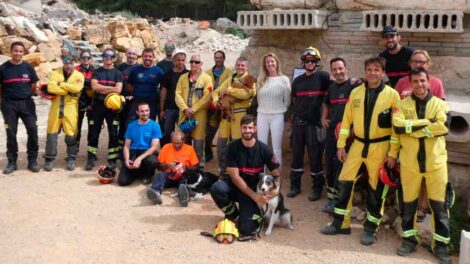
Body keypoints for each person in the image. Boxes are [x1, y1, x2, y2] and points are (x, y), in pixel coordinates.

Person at [320, 57, 400, 247]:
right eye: (369, 69)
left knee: (376, 189)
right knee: (345, 182)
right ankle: (341, 223)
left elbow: (397, 127)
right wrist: (341, 145)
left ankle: (371, 229)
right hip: (357, 145)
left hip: (380, 147)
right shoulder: (355, 93)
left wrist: (393, 154)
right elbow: (346, 122)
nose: (372, 72)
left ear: (383, 72)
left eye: (376, 69)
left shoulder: (392, 95)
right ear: (365, 71)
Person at [392, 68, 451, 264]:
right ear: (410, 83)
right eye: (415, 81)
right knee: (408, 206)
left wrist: (412, 127)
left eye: (422, 81)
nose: (419, 85)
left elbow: (443, 127)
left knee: (439, 207)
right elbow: (398, 127)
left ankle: (441, 246)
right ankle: (409, 240)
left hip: (436, 163)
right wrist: (428, 124)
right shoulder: (401, 104)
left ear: (429, 82)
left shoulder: (440, 104)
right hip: (410, 164)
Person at [394, 49, 446, 222]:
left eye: (422, 62)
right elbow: (397, 117)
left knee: (427, 179)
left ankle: (423, 207)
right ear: (410, 64)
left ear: (428, 64)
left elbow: (441, 119)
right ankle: (409, 209)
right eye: (415, 61)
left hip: (430, 144)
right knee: (409, 177)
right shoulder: (402, 83)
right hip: (408, 146)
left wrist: (412, 129)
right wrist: (424, 123)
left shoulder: (436, 83)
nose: (418, 64)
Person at [209, 114, 281, 239]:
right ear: (240, 129)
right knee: (216, 188)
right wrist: (255, 197)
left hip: (252, 189)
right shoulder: (232, 147)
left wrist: (276, 189)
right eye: (244, 128)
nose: (247, 131)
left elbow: (277, 172)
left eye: (250, 128)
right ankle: (233, 214)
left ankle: (251, 216)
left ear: (255, 129)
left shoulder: (264, 149)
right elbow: (235, 177)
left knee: (247, 229)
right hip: (237, 186)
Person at [287, 47, 332, 201]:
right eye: (307, 61)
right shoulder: (297, 81)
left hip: (315, 125)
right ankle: (295, 186)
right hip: (299, 124)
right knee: (296, 156)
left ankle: (317, 188)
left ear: (317, 62)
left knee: (315, 156)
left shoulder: (324, 77)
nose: (310, 63)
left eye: (313, 61)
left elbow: (339, 84)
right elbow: (294, 101)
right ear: (303, 62)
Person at [321, 57, 358, 212]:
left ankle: (343, 198)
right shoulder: (332, 89)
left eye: (340, 68)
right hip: (332, 133)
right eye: (334, 69)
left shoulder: (356, 86)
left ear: (346, 68)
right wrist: (324, 118)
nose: (338, 72)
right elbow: (326, 103)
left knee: (344, 165)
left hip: (350, 135)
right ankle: (331, 198)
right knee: (330, 164)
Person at [0, 41, 40, 174]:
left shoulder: (28, 67)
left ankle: (32, 161)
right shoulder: (3, 68)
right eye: (15, 51)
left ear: (24, 53)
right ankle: (12, 162)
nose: (18, 53)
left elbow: (33, 85)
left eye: (20, 51)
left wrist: (26, 94)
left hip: (27, 104)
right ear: (11, 52)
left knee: (33, 131)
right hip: (9, 105)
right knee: (11, 133)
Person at [213, 56, 255, 176]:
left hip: (240, 115)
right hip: (226, 115)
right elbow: (216, 91)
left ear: (246, 67)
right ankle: (223, 170)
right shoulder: (231, 78)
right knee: (221, 145)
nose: (240, 67)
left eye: (242, 65)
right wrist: (217, 102)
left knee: (239, 145)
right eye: (238, 65)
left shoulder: (249, 79)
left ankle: (240, 172)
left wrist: (229, 91)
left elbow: (246, 93)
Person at [44, 50, 84, 171]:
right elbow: (50, 87)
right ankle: (49, 159)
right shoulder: (55, 73)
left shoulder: (79, 75)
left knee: (71, 134)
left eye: (70, 63)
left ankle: (71, 158)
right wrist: (65, 90)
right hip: (56, 108)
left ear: (74, 63)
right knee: (51, 134)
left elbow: (77, 88)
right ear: (63, 62)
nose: (68, 66)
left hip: (70, 109)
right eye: (66, 63)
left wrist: (61, 84)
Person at [86, 48, 123, 170]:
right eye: (106, 55)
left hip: (112, 107)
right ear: (103, 57)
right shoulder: (96, 72)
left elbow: (118, 90)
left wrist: (102, 88)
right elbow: (94, 87)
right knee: (93, 132)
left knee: (113, 133)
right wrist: (110, 88)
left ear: (114, 58)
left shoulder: (117, 73)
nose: (108, 58)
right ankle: (91, 157)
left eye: (111, 56)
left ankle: (112, 159)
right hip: (97, 105)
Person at [175, 54, 213, 166]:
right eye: (191, 62)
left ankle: (197, 164)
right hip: (184, 113)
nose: (193, 64)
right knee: (183, 138)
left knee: (198, 140)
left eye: (196, 62)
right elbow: (177, 94)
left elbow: (207, 96)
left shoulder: (207, 78)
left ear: (201, 64)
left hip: (199, 114)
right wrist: (185, 108)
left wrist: (194, 109)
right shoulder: (183, 77)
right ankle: (183, 163)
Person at [256, 52, 290, 168]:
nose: (270, 64)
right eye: (267, 62)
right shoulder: (261, 79)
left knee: (276, 148)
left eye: (272, 61)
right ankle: (261, 175)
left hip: (277, 116)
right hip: (262, 115)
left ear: (276, 63)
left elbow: (287, 100)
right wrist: (265, 109)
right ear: (264, 65)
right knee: (261, 146)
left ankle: (277, 176)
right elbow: (259, 99)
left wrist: (279, 110)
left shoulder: (284, 79)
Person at [147, 131, 199, 206]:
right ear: (171, 141)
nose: (176, 145)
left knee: (185, 181)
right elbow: (159, 166)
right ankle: (156, 193)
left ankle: (184, 196)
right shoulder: (166, 147)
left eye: (178, 143)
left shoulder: (189, 149)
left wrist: (184, 167)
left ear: (183, 141)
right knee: (160, 175)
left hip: (182, 176)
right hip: (168, 175)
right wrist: (166, 165)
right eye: (174, 143)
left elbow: (196, 167)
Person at [119, 101, 161, 186]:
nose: (145, 113)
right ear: (137, 112)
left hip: (147, 152)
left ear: (149, 111)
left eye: (146, 110)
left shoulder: (155, 126)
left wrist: (139, 159)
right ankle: (135, 172)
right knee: (122, 182)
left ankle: (147, 175)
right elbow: (126, 146)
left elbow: (154, 147)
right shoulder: (131, 125)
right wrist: (127, 160)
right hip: (134, 151)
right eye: (142, 111)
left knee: (152, 161)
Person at [205, 50, 233, 162]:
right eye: (216, 57)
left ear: (224, 59)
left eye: (220, 57)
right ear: (214, 58)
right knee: (209, 131)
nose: (218, 59)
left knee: (228, 132)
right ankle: (208, 152)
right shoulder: (207, 73)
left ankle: (229, 155)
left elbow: (231, 87)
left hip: (224, 107)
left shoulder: (229, 72)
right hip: (211, 106)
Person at [127, 48, 164, 122]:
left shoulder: (158, 71)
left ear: (153, 57)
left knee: (148, 125)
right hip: (137, 102)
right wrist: (136, 93)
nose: (148, 58)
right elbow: (129, 84)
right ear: (142, 57)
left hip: (152, 104)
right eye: (145, 56)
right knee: (132, 124)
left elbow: (163, 88)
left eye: (150, 56)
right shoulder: (135, 70)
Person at [159, 49, 188, 145]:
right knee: (168, 132)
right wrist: (162, 109)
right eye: (178, 60)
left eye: (183, 60)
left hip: (183, 109)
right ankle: (168, 154)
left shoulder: (188, 74)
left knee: (184, 133)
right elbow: (163, 92)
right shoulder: (168, 74)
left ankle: (184, 156)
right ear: (173, 60)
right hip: (170, 108)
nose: (180, 62)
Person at [116, 48, 139, 150]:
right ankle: (121, 148)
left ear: (136, 55)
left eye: (133, 54)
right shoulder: (119, 68)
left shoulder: (139, 68)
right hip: (121, 100)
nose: (131, 56)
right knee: (122, 124)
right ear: (125, 54)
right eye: (129, 53)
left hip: (135, 100)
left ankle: (132, 147)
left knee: (134, 124)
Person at [75, 50, 95, 154]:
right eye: (83, 57)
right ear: (80, 59)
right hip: (77, 102)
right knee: (76, 127)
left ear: (90, 59)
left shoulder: (94, 70)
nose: (86, 60)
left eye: (88, 58)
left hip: (91, 103)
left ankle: (90, 152)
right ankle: (74, 151)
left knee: (92, 127)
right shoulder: (75, 70)